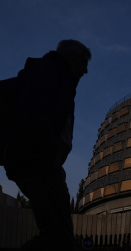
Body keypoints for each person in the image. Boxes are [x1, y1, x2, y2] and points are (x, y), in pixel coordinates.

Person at [3, 40, 91, 251]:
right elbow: (34, 110)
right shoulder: (51, 71)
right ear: (72, 58)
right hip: (37, 159)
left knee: (59, 235)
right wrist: (49, 150)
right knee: (58, 236)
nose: (86, 71)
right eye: (83, 63)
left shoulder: (59, 78)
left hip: (37, 159)